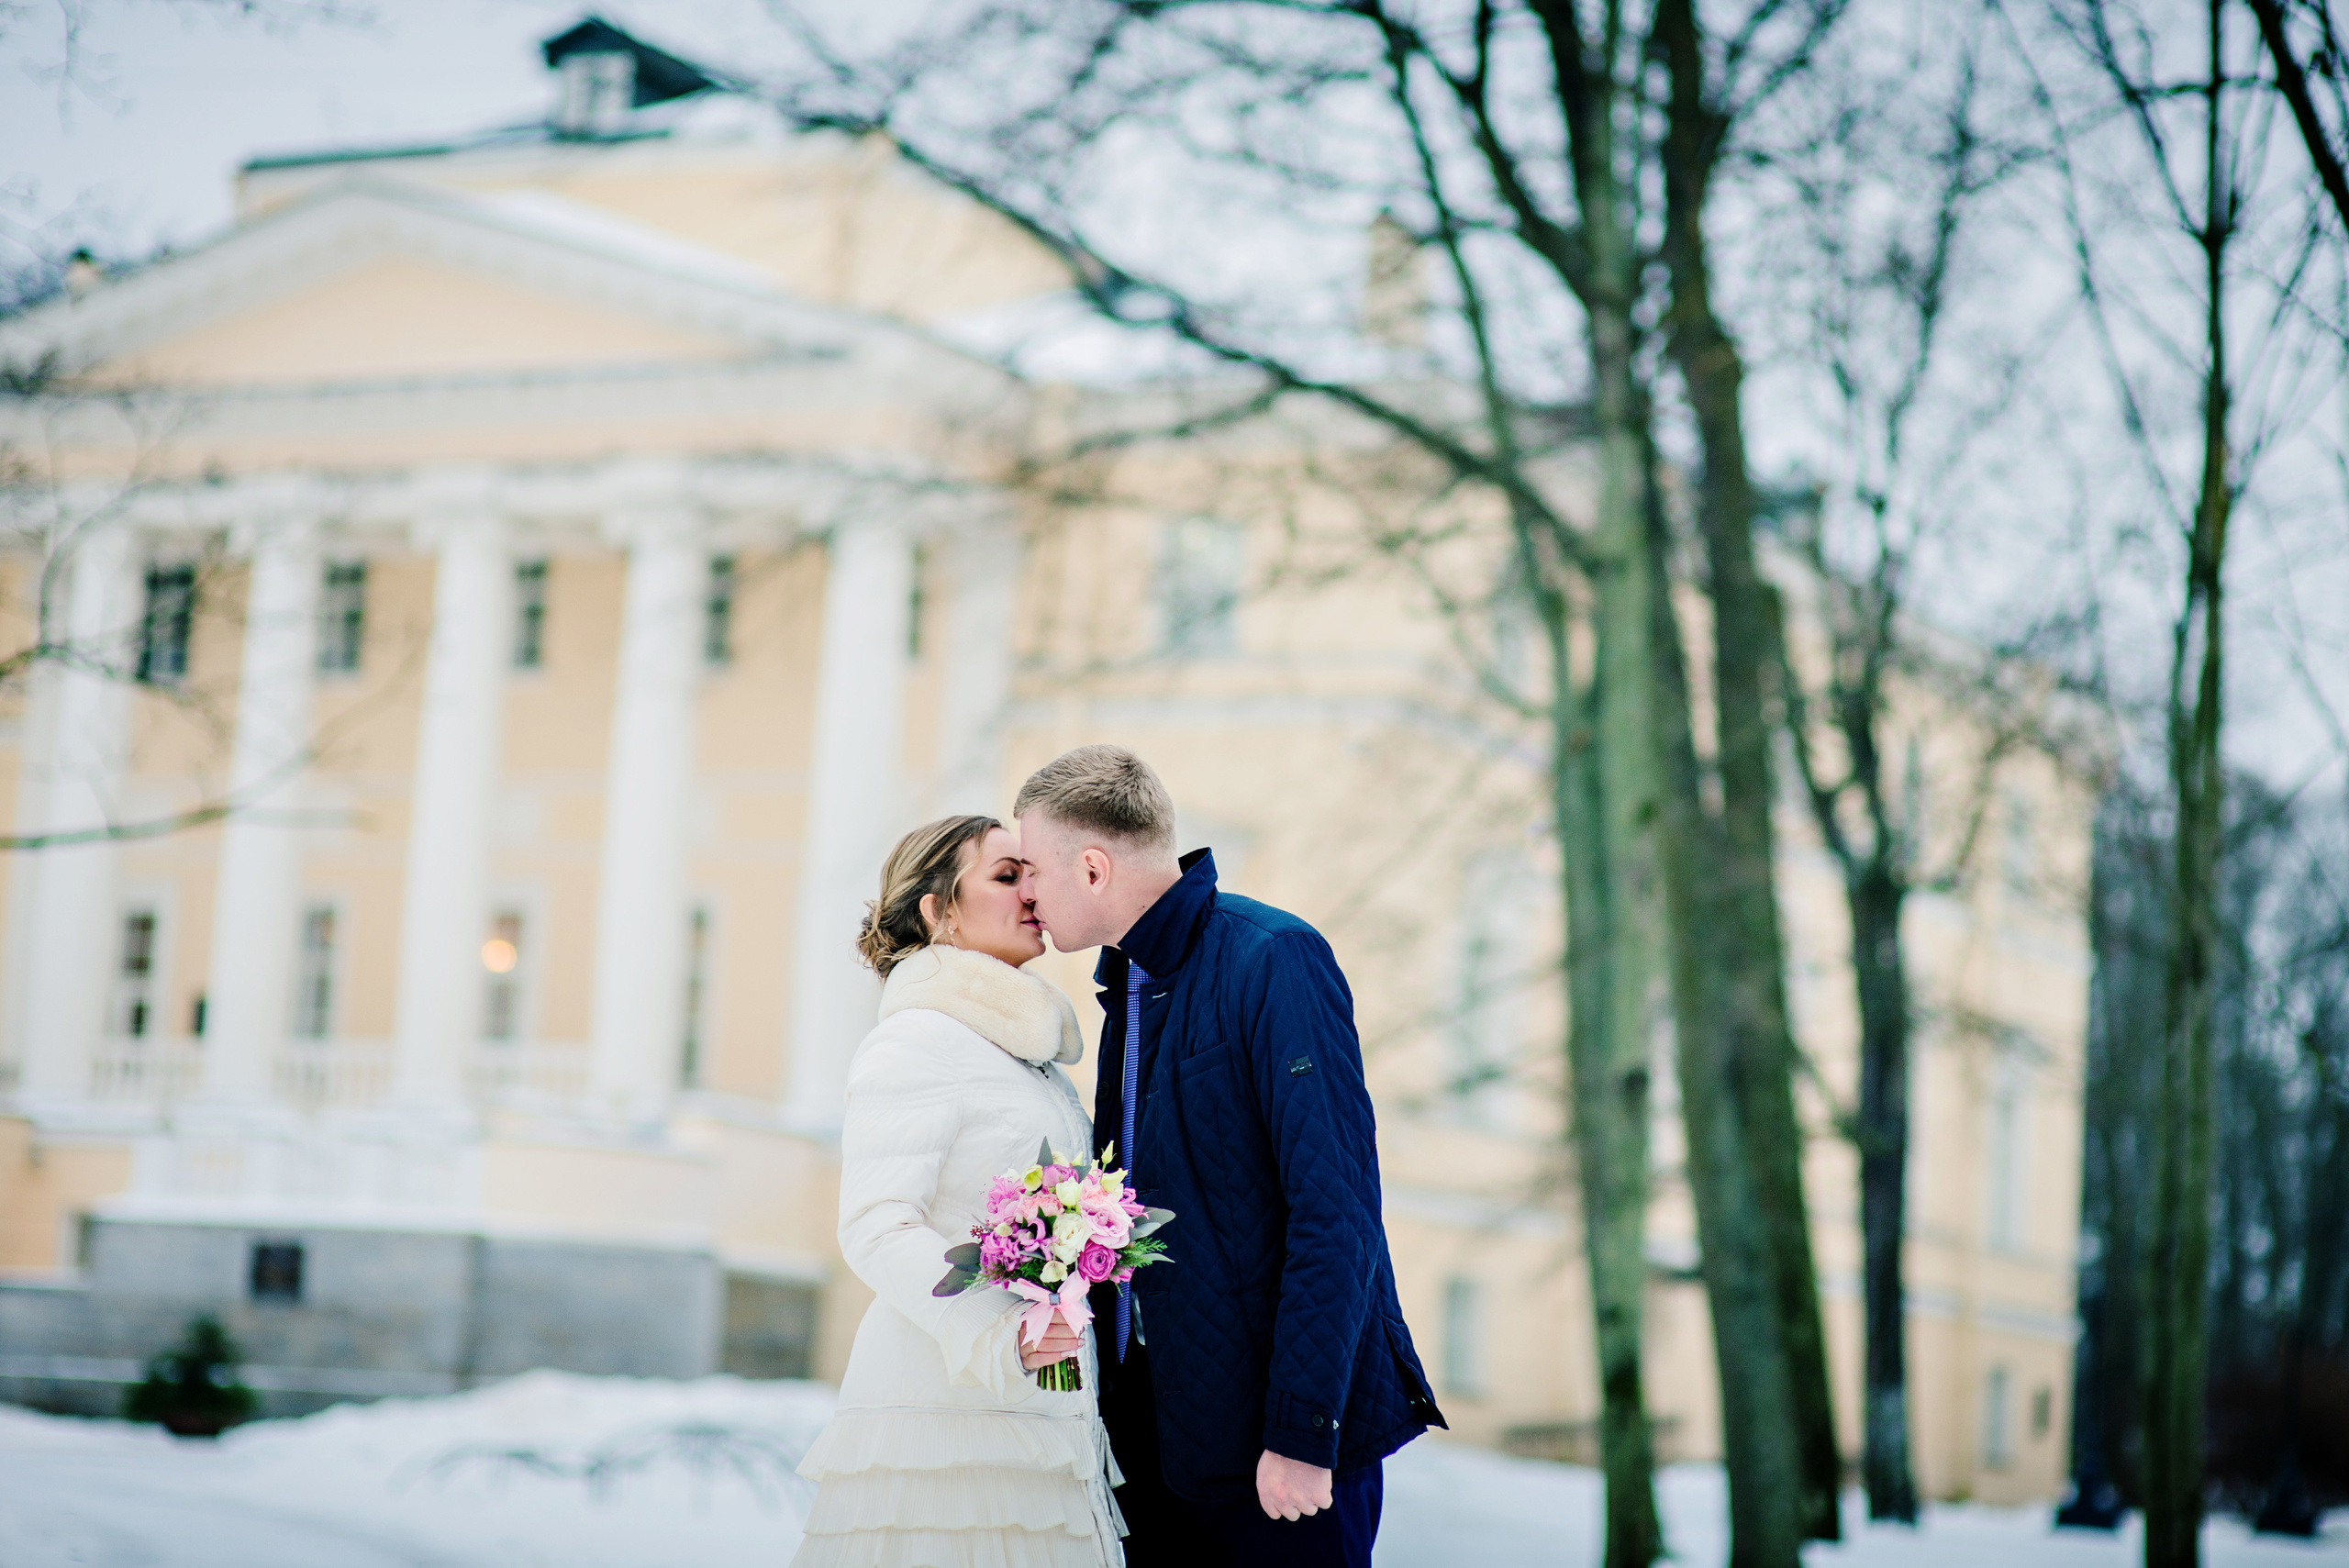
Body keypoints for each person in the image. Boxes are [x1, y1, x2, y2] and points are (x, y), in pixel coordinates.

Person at [1015, 746, 1446, 1568]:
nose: (1026, 891)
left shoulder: (1272, 957)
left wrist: (1300, 1430)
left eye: (1031, 866)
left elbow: (1336, 1211)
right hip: (1160, 1442)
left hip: (1275, 1455)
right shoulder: (1129, 988)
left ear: (1095, 867)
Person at [793, 814, 1126, 1568]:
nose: (1032, 894)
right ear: (937, 910)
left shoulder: (1025, 1052)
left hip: (1047, 1410)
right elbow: (877, 1225)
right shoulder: (917, 1041)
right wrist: (1001, 1332)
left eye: (1032, 874)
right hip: (946, 1423)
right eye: (1007, 877)